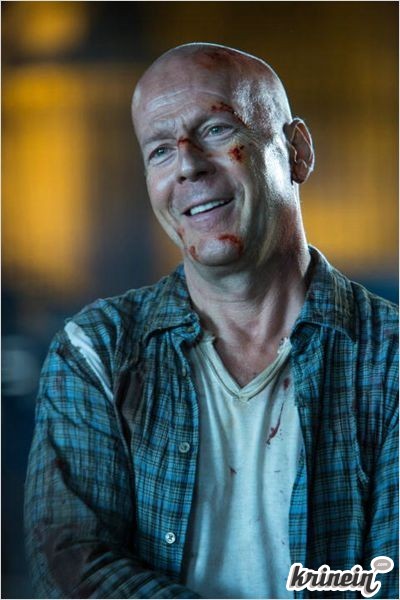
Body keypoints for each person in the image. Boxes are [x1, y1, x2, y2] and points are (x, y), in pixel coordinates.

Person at [25, 43, 398, 599]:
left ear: (297, 152)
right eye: (159, 151)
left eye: (218, 130)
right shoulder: (96, 353)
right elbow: (73, 570)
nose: (187, 165)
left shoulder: (389, 358)